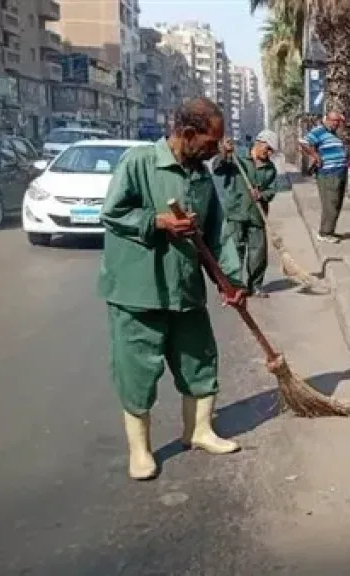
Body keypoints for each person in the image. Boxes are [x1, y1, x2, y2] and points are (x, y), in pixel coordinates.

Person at [99, 97, 247, 481]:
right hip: (138, 293)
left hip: (185, 290)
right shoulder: (139, 162)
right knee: (137, 372)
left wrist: (232, 281)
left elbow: (216, 232)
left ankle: (198, 430)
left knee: (200, 361)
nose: (217, 149)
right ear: (187, 134)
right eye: (211, 142)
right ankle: (141, 451)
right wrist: (158, 222)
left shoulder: (201, 176)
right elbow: (113, 213)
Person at [214, 129, 280, 298]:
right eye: (268, 149)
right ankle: (234, 285)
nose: (269, 153)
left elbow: (272, 190)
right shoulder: (238, 157)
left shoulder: (270, 168)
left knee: (259, 252)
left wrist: (262, 195)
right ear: (259, 143)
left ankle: (255, 285)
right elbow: (218, 168)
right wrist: (224, 153)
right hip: (236, 212)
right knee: (235, 251)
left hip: (257, 214)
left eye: (272, 151)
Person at [300, 111, 348, 243]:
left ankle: (330, 230)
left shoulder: (333, 134)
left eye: (338, 122)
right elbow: (304, 142)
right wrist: (315, 156)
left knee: (337, 203)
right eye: (334, 121)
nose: (336, 124)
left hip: (339, 172)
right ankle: (324, 233)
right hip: (328, 173)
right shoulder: (319, 131)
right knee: (330, 203)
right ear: (326, 119)